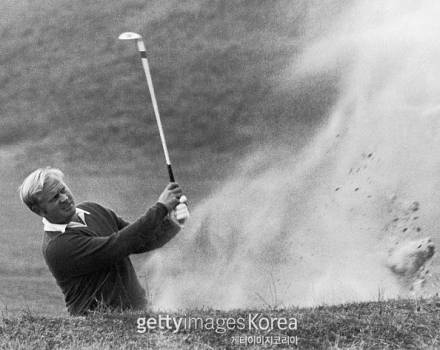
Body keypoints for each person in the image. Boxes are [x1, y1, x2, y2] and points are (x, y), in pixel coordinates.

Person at [19, 167, 188, 315]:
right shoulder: (58, 247)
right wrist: (161, 208)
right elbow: (119, 245)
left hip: (140, 312)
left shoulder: (92, 209)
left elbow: (140, 241)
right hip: (99, 324)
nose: (64, 198)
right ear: (39, 210)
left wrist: (172, 223)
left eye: (63, 189)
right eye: (54, 198)